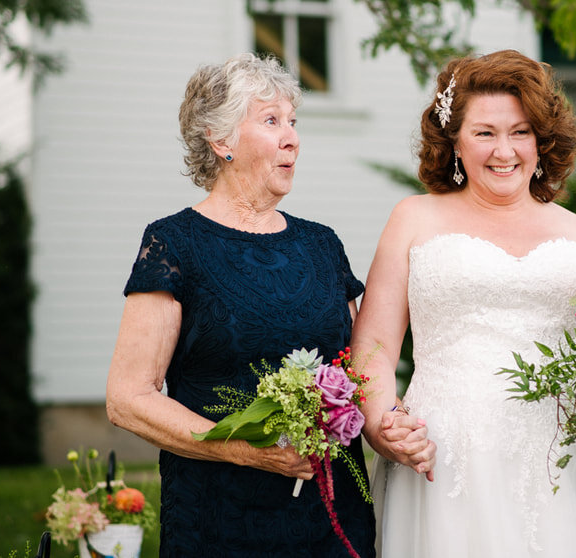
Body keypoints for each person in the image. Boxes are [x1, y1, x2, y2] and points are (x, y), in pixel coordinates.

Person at [351, 49, 576, 556]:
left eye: (520, 131)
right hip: (449, 458)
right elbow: (372, 347)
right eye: (485, 132)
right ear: (454, 142)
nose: (504, 150)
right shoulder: (413, 219)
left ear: (542, 141)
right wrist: (381, 426)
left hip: (571, 463)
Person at [106, 53, 432, 557]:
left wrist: (390, 423)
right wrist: (247, 450)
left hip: (333, 518)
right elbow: (129, 399)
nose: (292, 137)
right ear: (221, 141)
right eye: (272, 120)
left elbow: (361, 372)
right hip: (219, 521)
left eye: (294, 122)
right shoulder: (175, 244)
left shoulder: (322, 245)